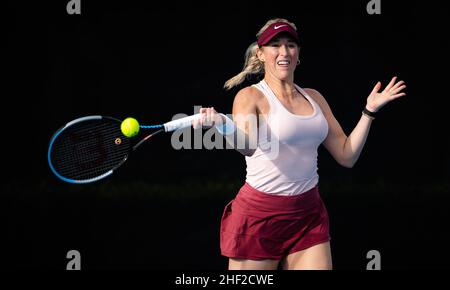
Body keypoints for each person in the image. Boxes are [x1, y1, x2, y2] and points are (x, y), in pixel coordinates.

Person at [193, 18, 406, 270]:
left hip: (308, 216)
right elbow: (247, 146)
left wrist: (368, 112)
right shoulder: (249, 96)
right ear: (261, 54)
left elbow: (346, 155)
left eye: (290, 45)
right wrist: (222, 123)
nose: (284, 52)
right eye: (275, 45)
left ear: (298, 54)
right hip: (259, 218)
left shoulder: (314, 97)